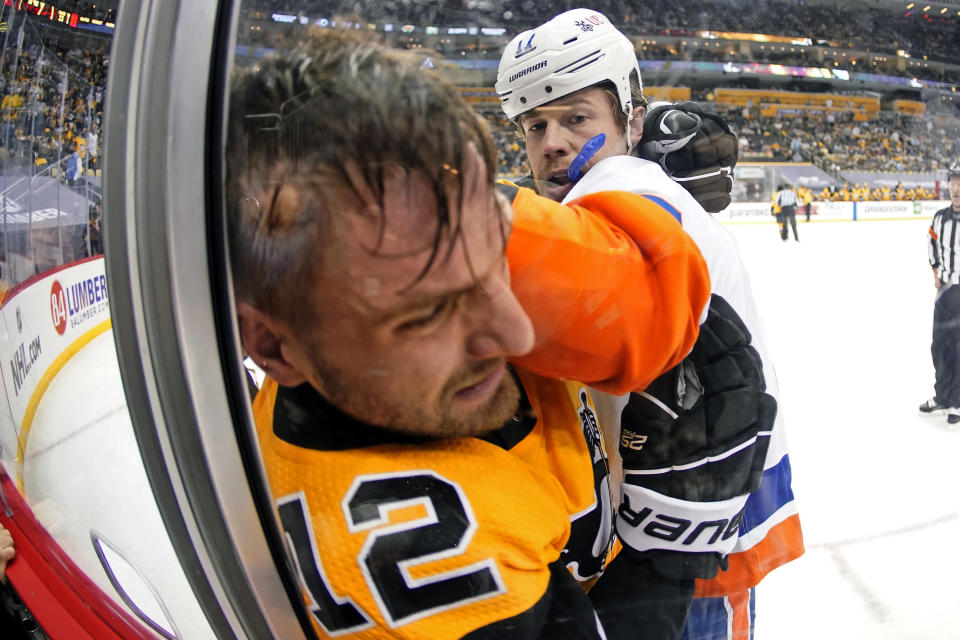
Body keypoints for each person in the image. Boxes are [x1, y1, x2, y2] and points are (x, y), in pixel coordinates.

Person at [227, 29, 764, 639]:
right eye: (431, 310)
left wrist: (632, 165)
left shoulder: (368, 348)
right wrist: (663, 561)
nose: (513, 329)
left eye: (495, 268)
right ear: (272, 347)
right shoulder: (444, 557)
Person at [496, 9, 803, 639]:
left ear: (632, 122)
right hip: (685, 522)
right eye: (535, 126)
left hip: (692, 537)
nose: (551, 141)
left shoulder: (621, 193)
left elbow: (587, 278)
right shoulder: (618, 187)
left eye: (576, 118)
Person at [920, 165, 960, 425]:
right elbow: (932, 242)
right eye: (954, 183)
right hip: (946, 293)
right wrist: (935, 270)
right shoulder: (940, 218)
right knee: (940, 346)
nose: (957, 189)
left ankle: (957, 400)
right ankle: (943, 396)